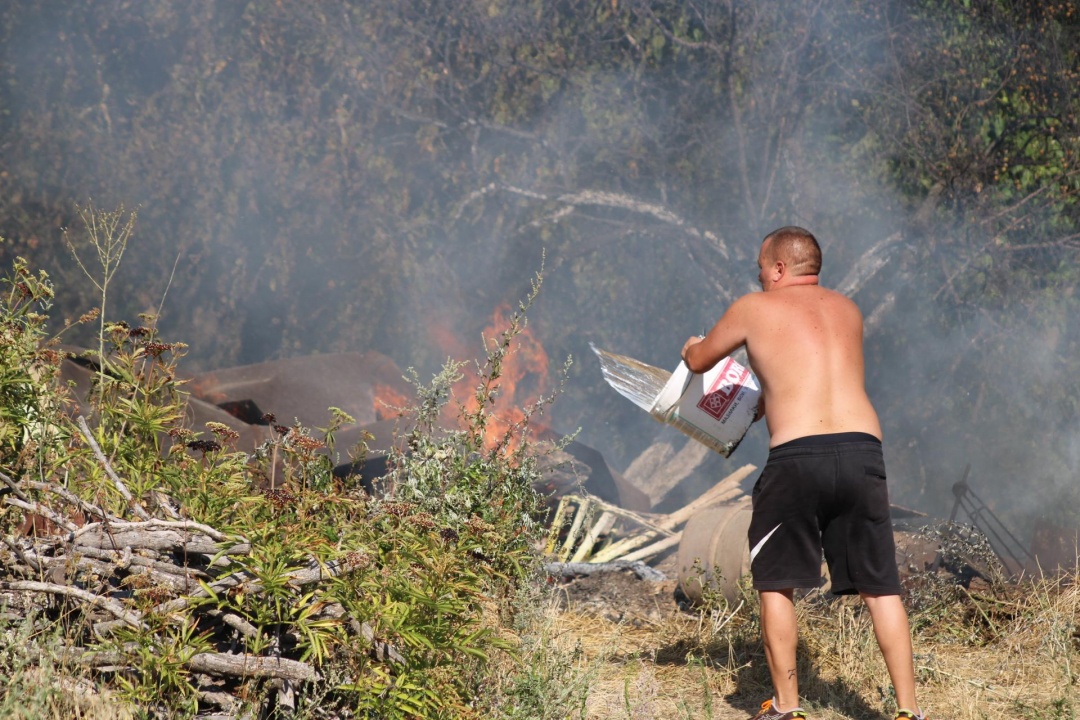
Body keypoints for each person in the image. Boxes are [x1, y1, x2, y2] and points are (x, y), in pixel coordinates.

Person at [681, 227, 925, 720]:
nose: (758, 276)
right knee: (881, 589)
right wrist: (765, 401)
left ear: (777, 268)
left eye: (760, 269)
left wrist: (692, 346)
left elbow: (701, 359)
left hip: (796, 456)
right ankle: (909, 712)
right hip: (862, 451)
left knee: (775, 585)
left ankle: (787, 708)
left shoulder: (754, 306)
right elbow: (811, 372)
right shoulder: (848, 309)